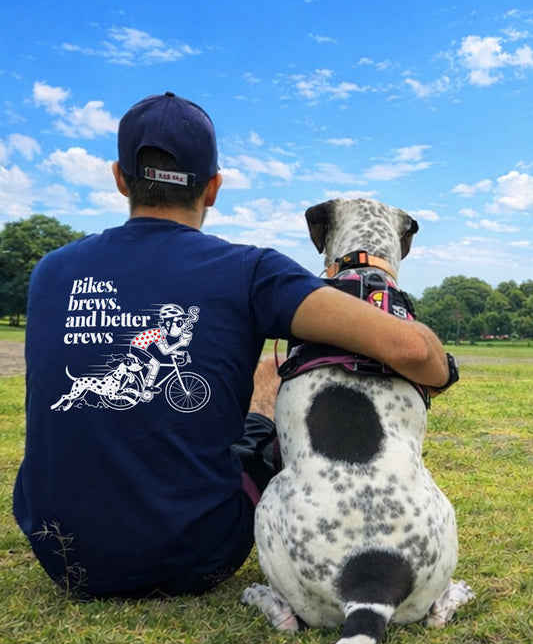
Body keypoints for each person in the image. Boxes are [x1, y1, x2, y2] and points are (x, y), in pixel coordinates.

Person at [14, 91, 451, 599]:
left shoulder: (51, 270)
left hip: (63, 556)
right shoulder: (250, 270)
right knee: (268, 390)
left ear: (119, 178)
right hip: (198, 557)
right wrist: (443, 371)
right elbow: (412, 351)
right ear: (214, 188)